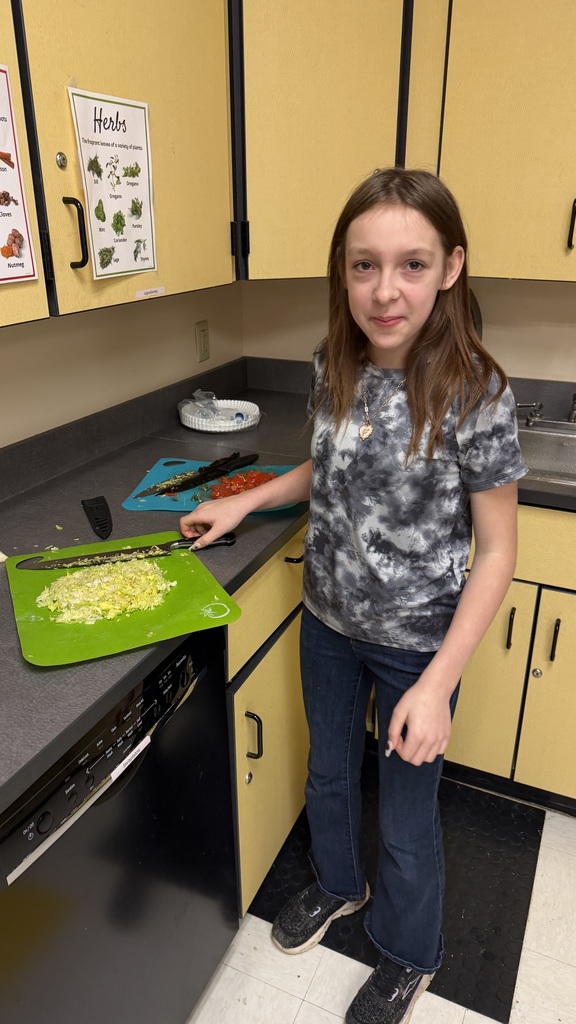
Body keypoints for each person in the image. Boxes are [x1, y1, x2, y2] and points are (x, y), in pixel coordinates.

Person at [180, 167, 528, 1024]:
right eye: (364, 265)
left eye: (411, 264)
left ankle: (411, 953)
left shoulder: (476, 393)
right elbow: (329, 466)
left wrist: (440, 682)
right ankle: (338, 884)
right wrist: (247, 499)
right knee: (329, 775)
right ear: (342, 270)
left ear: (451, 267)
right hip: (329, 623)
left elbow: (497, 552)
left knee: (408, 819)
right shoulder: (332, 363)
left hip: (418, 648)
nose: (384, 290)